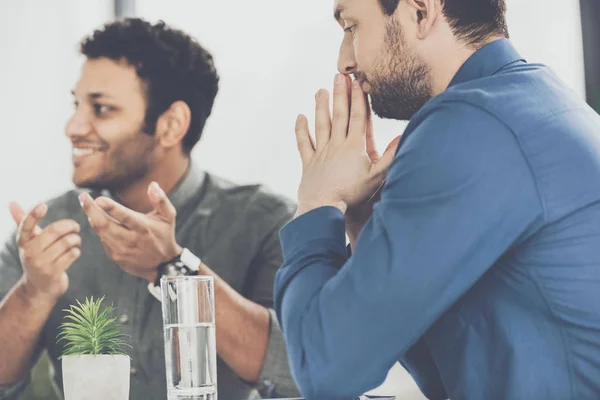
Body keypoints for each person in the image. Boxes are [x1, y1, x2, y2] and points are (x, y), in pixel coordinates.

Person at [274, 0, 600, 399]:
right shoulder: (536, 100)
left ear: (421, 12)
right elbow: (450, 379)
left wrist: (317, 202)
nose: (345, 61)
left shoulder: (470, 122)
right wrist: (365, 226)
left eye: (351, 27)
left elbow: (323, 369)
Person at [0, 18, 299, 400]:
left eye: (102, 109)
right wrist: (33, 292)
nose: (73, 127)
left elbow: (298, 371)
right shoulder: (47, 232)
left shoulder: (265, 222)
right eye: (77, 104)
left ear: (171, 125)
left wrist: (172, 267)